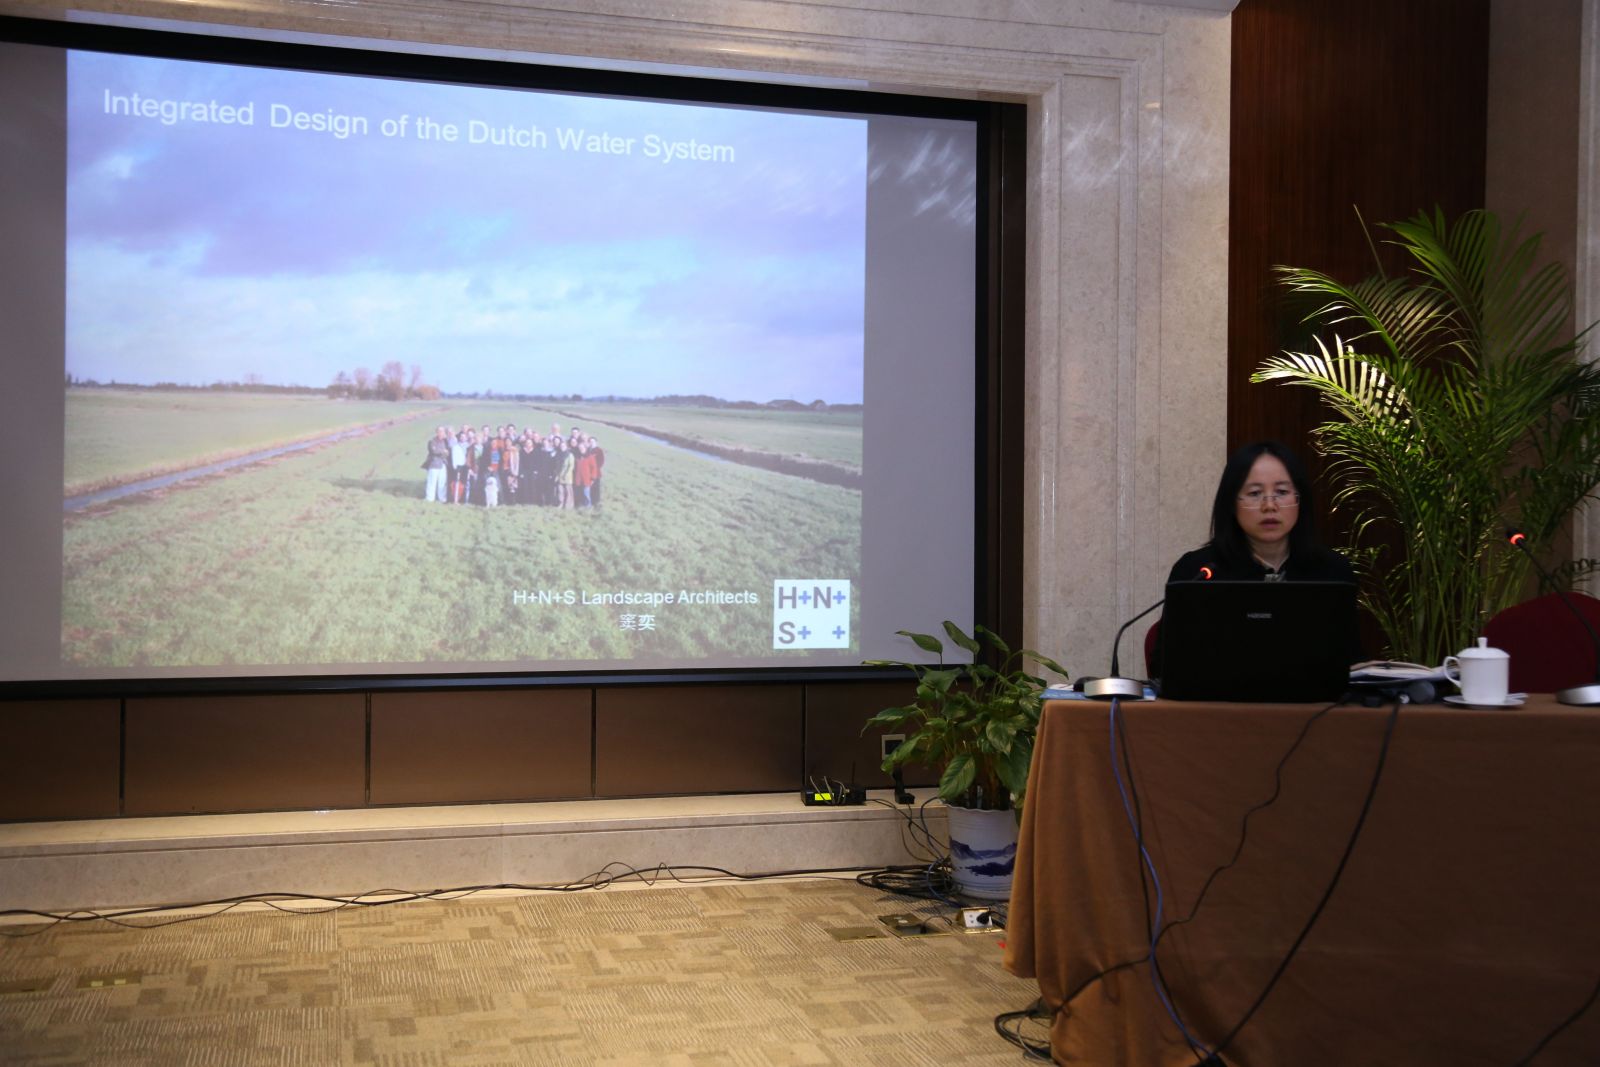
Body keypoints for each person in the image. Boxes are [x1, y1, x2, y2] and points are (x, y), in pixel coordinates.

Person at [1156, 440, 1359, 672]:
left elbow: (1351, 661)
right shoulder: (1198, 572)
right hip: (1220, 706)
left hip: (1311, 706)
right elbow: (1163, 664)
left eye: (1282, 492)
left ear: (1299, 500)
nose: (1269, 506)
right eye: (1254, 493)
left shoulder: (1333, 572)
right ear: (1232, 503)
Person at [421, 426, 450, 502]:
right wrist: (443, 451)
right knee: (432, 482)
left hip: (443, 464)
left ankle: (442, 499)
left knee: (442, 482)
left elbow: (448, 452)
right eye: (440, 431)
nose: (442, 433)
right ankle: (429, 498)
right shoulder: (432, 441)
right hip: (434, 464)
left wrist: (444, 452)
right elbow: (433, 451)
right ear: (437, 432)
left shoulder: (445, 441)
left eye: (443, 431)